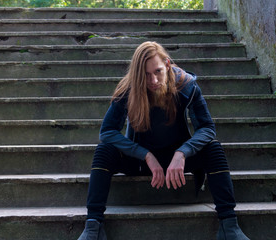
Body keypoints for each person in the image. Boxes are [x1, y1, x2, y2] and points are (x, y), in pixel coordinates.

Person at [78, 41, 250, 240]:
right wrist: (146, 155)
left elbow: (207, 128)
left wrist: (183, 152)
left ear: (167, 65)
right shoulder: (128, 90)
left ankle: (229, 225)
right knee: (104, 151)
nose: (153, 80)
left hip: (176, 161)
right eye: (145, 75)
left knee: (213, 148)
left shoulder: (187, 85)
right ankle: (93, 226)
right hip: (141, 161)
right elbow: (107, 132)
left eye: (158, 71)